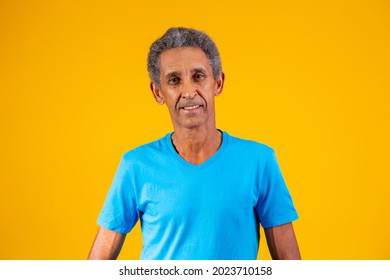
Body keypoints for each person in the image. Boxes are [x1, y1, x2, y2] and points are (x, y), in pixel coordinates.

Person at [88, 27, 301, 260]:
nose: (188, 92)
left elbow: (289, 264)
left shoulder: (259, 161)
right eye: (174, 80)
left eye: (198, 76)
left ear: (218, 83)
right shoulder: (135, 165)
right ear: (158, 92)